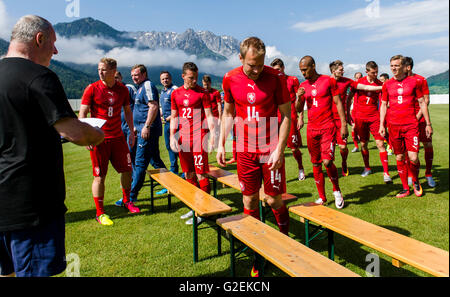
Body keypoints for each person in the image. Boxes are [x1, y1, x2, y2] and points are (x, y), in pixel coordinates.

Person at [0, 15, 104, 277]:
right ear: (39, 39)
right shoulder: (40, 76)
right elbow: (74, 133)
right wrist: (97, 134)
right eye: (54, 43)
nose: (55, 51)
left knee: (7, 271)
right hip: (31, 203)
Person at [217, 37, 291, 277]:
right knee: (248, 201)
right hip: (245, 150)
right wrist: (222, 144)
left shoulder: (276, 78)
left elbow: (286, 116)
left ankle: (284, 240)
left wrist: (280, 148)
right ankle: (258, 252)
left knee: (273, 200)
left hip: (270, 148)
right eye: (251, 65)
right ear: (241, 59)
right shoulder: (230, 78)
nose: (257, 70)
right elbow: (228, 113)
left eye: (260, 64)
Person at [80, 57, 139, 226]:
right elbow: (82, 113)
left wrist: (132, 131)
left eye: (104, 69)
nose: (100, 72)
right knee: (99, 176)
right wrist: (85, 136)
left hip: (118, 138)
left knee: (127, 170)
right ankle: (100, 212)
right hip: (99, 140)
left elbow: (128, 111)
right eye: (99, 69)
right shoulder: (92, 89)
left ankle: (127, 201)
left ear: (113, 72)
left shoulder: (122, 89)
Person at [295, 56, 347, 209]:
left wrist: (343, 124)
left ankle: (336, 190)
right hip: (312, 129)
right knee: (316, 163)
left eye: (305, 69)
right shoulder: (303, 85)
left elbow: (338, 103)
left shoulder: (328, 81)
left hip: (328, 127)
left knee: (327, 161)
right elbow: (299, 109)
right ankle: (322, 197)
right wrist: (298, 98)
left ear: (313, 66)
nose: (303, 73)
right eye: (301, 70)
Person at [379, 55, 432, 198]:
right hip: (394, 126)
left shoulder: (414, 82)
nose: (393, 68)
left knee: (413, 157)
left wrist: (427, 123)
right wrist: (381, 125)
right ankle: (405, 188)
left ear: (404, 67)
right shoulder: (387, 84)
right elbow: (383, 105)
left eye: (396, 65)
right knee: (400, 157)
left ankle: (415, 181)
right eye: (391, 66)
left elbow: (422, 102)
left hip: (411, 125)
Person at [170, 62, 216, 225]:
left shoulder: (203, 93)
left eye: (196, 77)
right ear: (183, 77)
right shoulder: (176, 94)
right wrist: (171, 136)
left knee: (201, 174)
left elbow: (209, 116)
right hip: (183, 139)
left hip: (199, 138)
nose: (194, 80)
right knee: (188, 174)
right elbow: (174, 116)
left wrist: (212, 137)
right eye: (191, 78)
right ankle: (195, 206)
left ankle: (205, 210)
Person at [117, 64, 167, 205]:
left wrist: (146, 126)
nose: (134, 78)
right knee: (155, 160)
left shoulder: (147, 85)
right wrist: (135, 128)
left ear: (144, 74)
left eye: (137, 75)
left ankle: (131, 197)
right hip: (141, 130)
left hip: (147, 132)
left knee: (139, 163)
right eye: (132, 75)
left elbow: (153, 106)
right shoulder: (140, 87)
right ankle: (171, 181)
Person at [348, 61, 392, 183]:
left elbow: (384, 102)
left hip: (374, 117)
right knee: (363, 144)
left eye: (377, 72)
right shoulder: (359, 82)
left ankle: (386, 173)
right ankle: (367, 167)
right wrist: (347, 112)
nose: (376, 74)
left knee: (380, 144)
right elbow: (349, 97)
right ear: (367, 71)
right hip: (360, 118)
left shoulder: (380, 84)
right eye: (373, 72)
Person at [270, 58, 306, 180]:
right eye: (274, 70)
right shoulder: (272, 82)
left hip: (290, 117)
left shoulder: (292, 80)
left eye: (278, 69)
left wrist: (301, 117)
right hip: (276, 118)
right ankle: (279, 175)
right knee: (277, 148)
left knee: (294, 148)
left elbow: (300, 99)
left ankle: (301, 168)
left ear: (283, 68)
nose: (277, 72)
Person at [404, 57, 436, 188]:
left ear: (408, 67)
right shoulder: (400, 81)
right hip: (406, 120)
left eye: (401, 66)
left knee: (427, 143)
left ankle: (428, 174)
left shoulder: (421, 80)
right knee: (408, 149)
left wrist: (417, 117)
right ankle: (411, 175)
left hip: (420, 118)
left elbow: (426, 100)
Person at [329, 60, 353, 176]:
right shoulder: (326, 82)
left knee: (343, 147)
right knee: (330, 148)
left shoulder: (347, 81)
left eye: (343, 69)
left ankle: (344, 162)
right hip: (328, 119)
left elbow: (360, 85)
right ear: (334, 71)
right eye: (341, 70)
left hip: (341, 119)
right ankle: (332, 170)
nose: (343, 71)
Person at [160, 70, 179, 178]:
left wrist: (171, 117)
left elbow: (181, 108)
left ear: (170, 78)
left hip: (176, 123)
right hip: (166, 124)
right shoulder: (162, 92)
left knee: (177, 147)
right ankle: (175, 169)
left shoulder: (175, 90)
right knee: (168, 146)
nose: (165, 80)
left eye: (166, 78)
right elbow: (164, 107)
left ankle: (186, 168)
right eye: (163, 79)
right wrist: (161, 115)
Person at [115, 71, 137, 165]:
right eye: (113, 78)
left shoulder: (129, 88)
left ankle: (136, 176)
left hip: (130, 126)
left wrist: (135, 125)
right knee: (124, 153)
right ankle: (133, 176)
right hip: (120, 127)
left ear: (121, 77)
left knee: (131, 151)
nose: (115, 79)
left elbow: (138, 105)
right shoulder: (112, 90)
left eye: (117, 77)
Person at [350, 72, 363, 153]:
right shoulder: (353, 87)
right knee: (353, 128)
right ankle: (356, 146)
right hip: (354, 111)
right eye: (357, 77)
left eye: (360, 77)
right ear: (355, 78)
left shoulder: (365, 87)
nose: (358, 79)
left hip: (363, 111)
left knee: (361, 130)